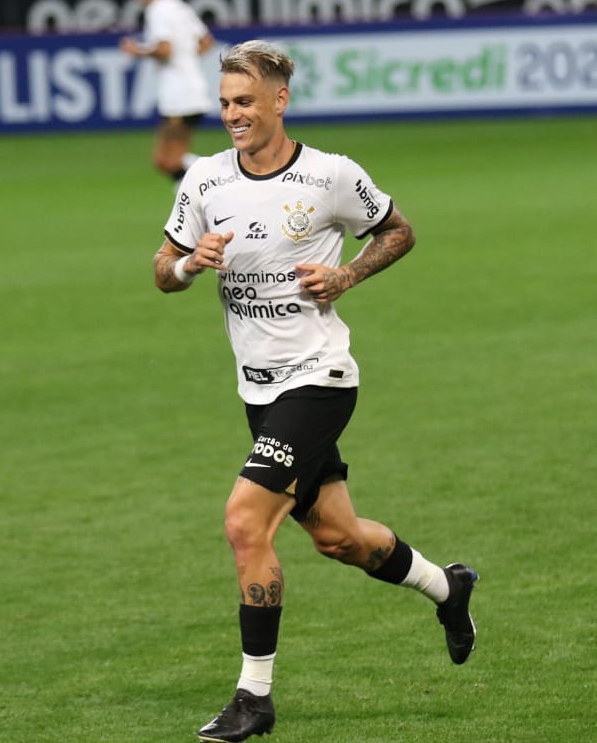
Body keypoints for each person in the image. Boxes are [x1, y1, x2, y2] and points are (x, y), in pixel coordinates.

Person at [151, 39, 478, 743]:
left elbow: (398, 230)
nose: (233, 114)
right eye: (225, 103)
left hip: (320, 379)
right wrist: (188, 266)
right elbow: (162, 266)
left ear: (280, 100)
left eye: (245, 101)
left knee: (245, 522)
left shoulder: (328, 175)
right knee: (337, 538)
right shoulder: (205, 180)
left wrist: (347, 276)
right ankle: (449, 588)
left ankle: (254, 697)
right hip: (260, 389)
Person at [120, 0, 215, 184]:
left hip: (179, 96)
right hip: (191, 90)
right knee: (168, 161)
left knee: (168, 161)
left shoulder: (157, 10)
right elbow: (206, 42)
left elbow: (165, 49)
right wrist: (187, 62)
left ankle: (219, 180)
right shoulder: (177, 6)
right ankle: (203, 195)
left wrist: (138, 50)